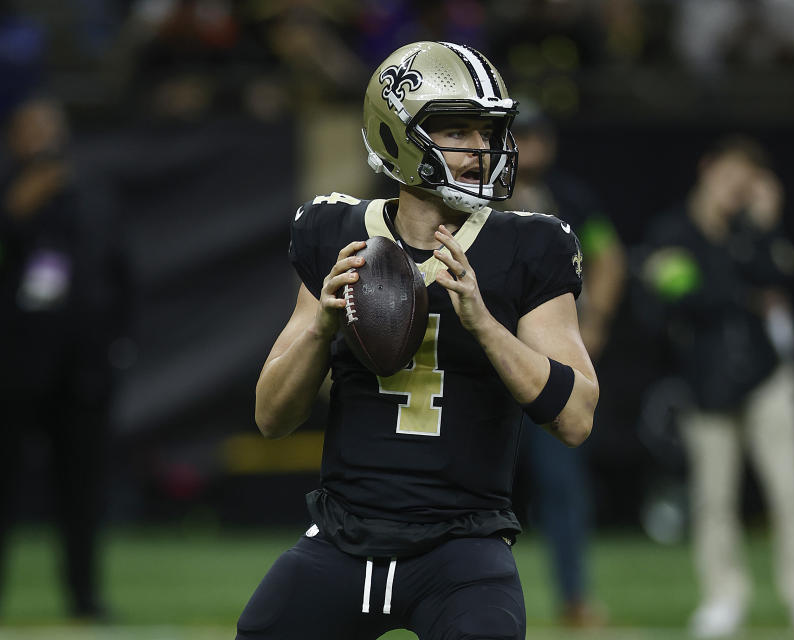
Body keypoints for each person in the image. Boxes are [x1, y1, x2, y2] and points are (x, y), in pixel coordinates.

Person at [237, 41, 597, 640]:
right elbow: (271, 415)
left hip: (463, 545)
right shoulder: (338, 234)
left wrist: (485, 325)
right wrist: (323, 328)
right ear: (397, 135)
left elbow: (577, 416)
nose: (480, 150)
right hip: (344, 536)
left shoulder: (530, 245)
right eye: (457, 130)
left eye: (485, 132)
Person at [633, 137, 794, 638]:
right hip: (704, 385)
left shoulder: (754, 231)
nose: (735, 188)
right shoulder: (671, 229)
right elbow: (663, 306)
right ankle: (723, 596)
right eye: (729, 175)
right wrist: (729, 290)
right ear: (707, 169)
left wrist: (766, 224)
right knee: (713, 499)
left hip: (768, 378)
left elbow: (778, 274)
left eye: (746, 182)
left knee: (791, 494)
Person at [0, 96, 126, 621]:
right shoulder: (9, 195)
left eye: (51, 130)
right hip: (11, 369)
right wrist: (12, 213)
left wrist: (119, 344)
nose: (44, 142)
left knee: (82, 489)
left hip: (81, 369)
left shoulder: (91, 193)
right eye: (32, 130)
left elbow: (121, 272)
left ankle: (84, 598)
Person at [505, 102, 625, 627]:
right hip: (486, 364)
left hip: (545, 364)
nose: (529, 149)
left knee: (562, 485)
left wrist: (593, 323)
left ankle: (574, 595)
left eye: (536, 138)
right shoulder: (477, 195)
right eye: (519, 138)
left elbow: (608, 255)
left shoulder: (571, 199)